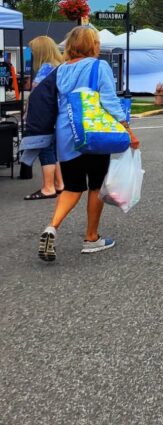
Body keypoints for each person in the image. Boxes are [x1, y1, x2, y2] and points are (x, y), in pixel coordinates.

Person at [38, 26, 140, 263]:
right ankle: (91, 237)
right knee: (95, 185)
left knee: (73, 187)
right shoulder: (99, 66)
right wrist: (128, 130)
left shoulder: (61, 70)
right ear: (92, 44)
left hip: (67, 132)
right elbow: (109, 101)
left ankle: (52, 227)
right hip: (93, 131)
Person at [24, 36, 64, 201]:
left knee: (45, 150)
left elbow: (38, 95)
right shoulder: (59, 67)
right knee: (53, 149)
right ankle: (59, 184)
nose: (32, 53)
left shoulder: (46, 69)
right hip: (55, 115)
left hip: (43, 116)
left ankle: (48, 188)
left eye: (33, 50)